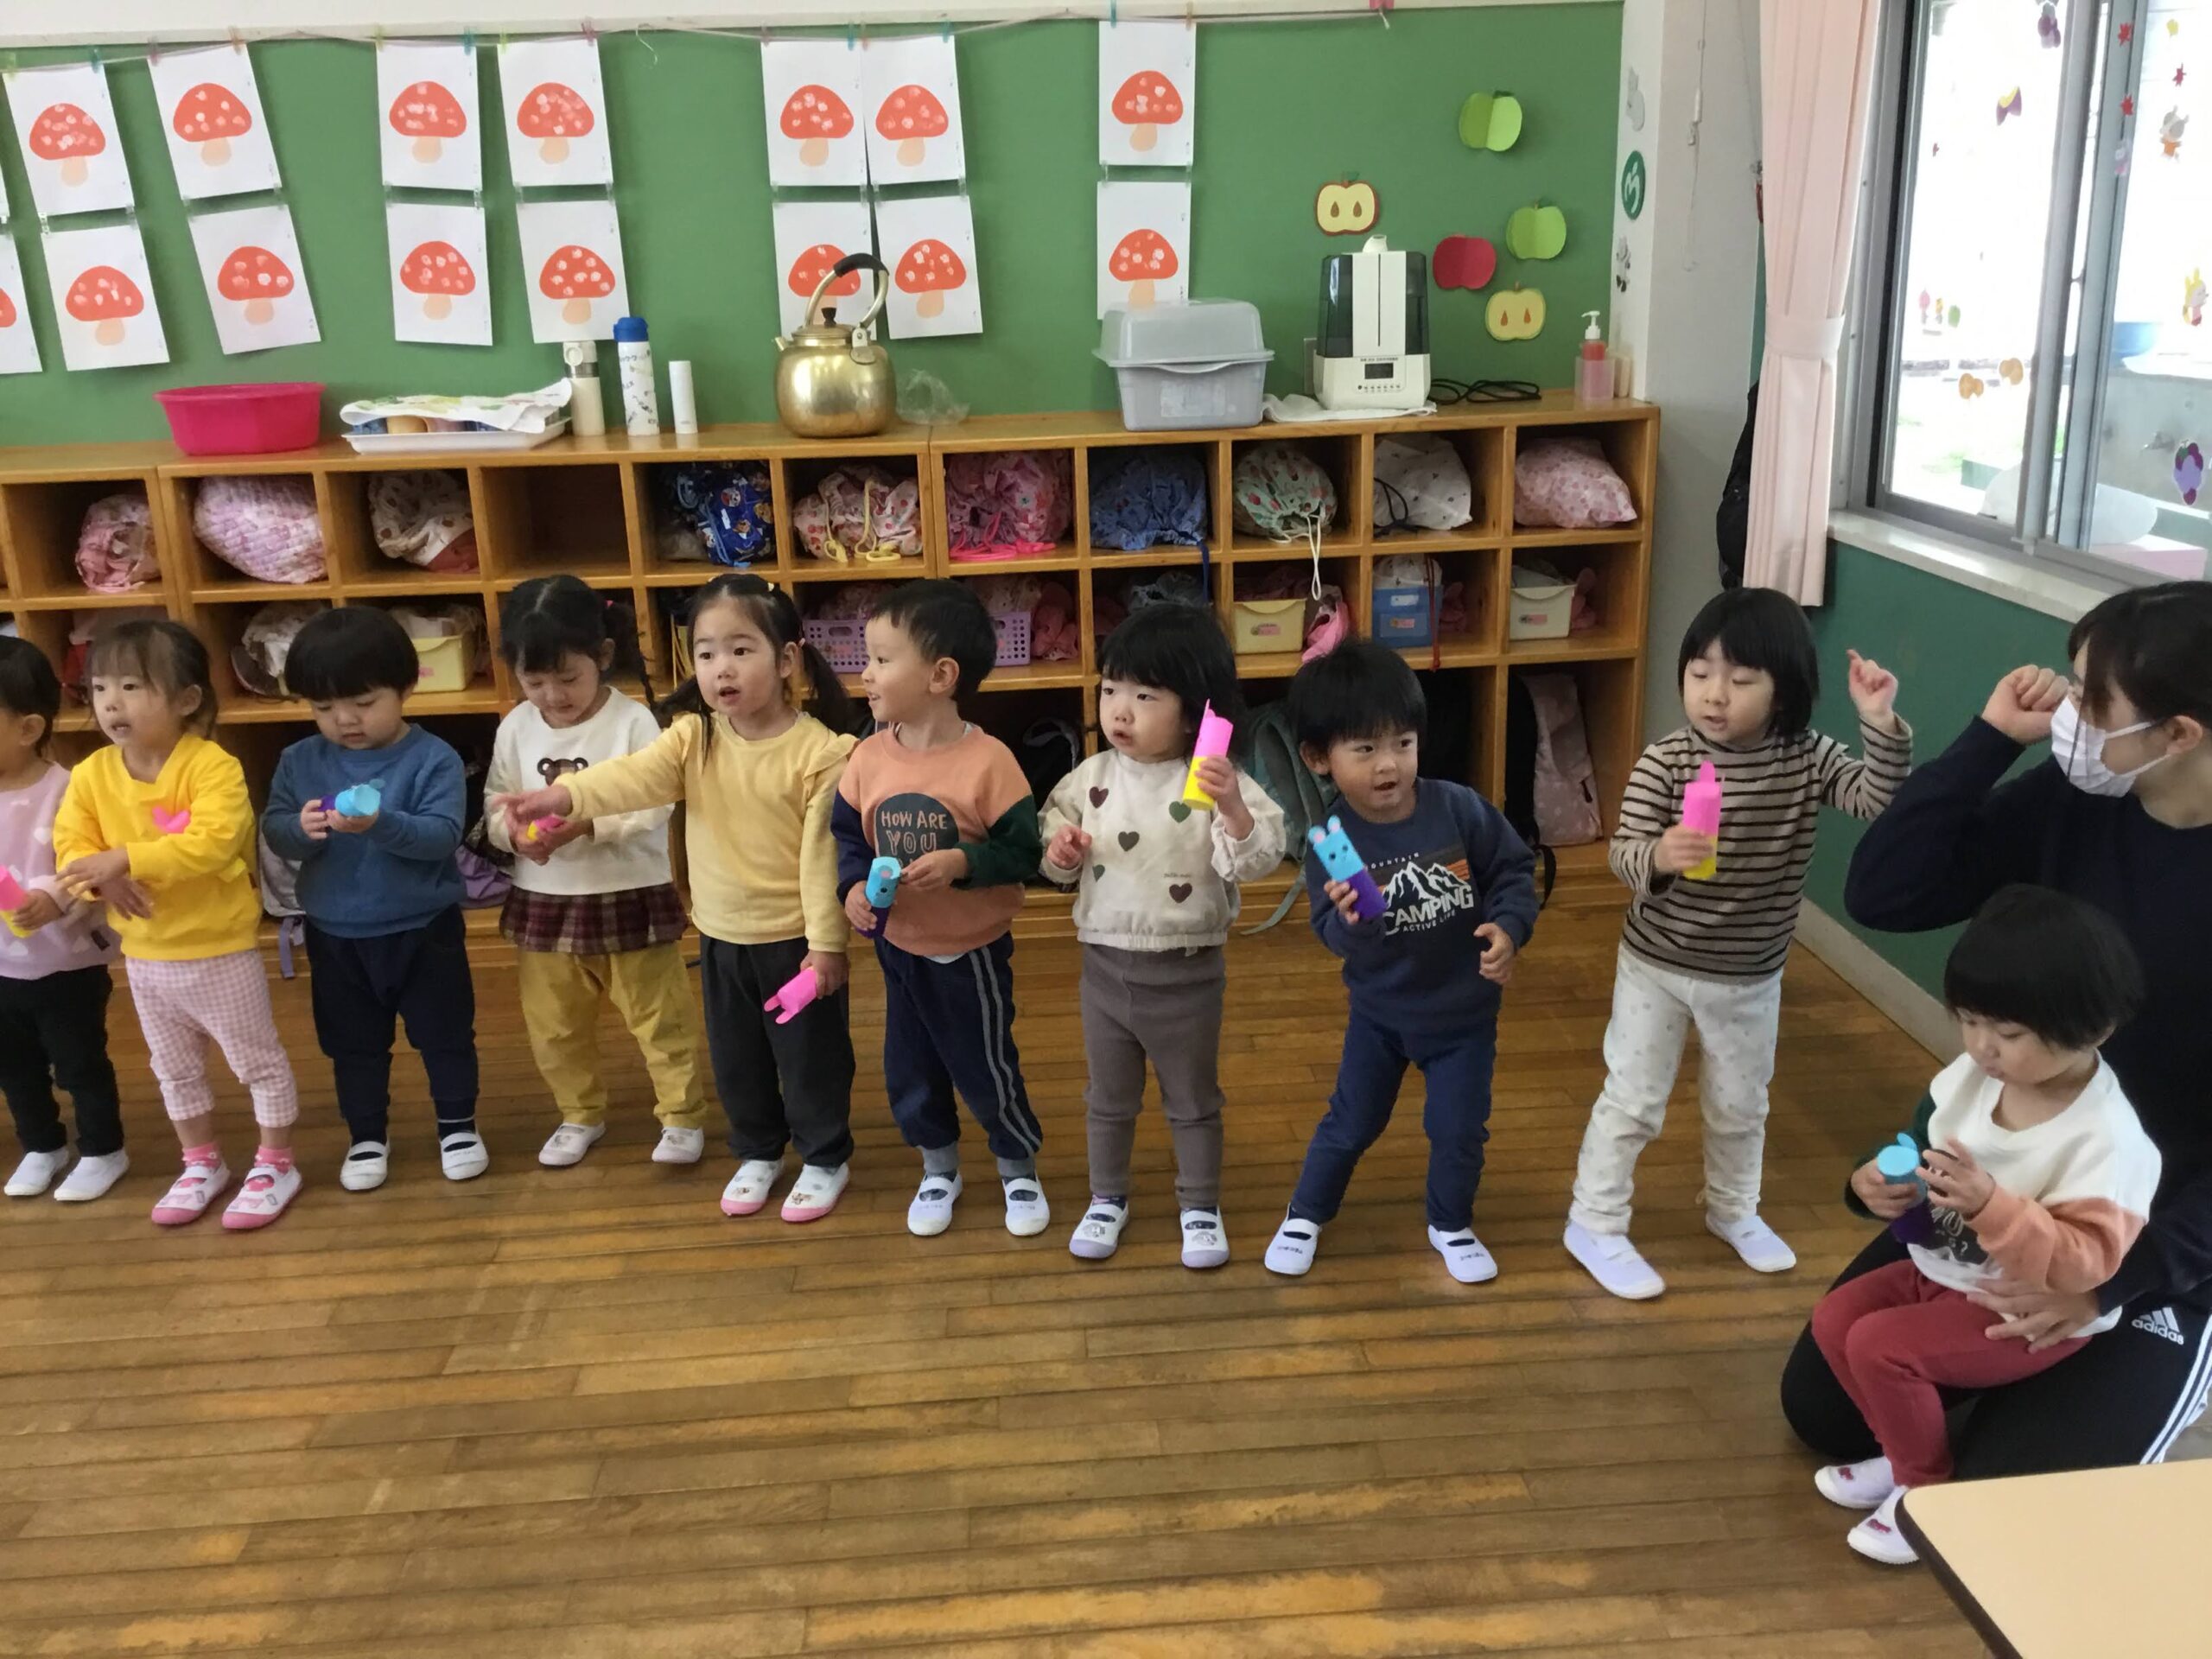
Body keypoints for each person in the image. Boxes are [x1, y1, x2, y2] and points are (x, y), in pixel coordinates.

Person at [1783, 580, 2212, 1478]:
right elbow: (1886, 893)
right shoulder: (2078, 798)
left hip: (2154, 1225)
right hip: (2005, 1191)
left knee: (2011, 1500)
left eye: (2091, 699)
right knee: (1823, 1406)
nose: (2067, 710)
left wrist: (2115, 1284)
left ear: (2179, 734)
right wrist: (1987, 741)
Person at [1564, 588, 1910, 1300]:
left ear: (1785, 690)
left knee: (1741, 1104)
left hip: (1749, 973)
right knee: (1633, 1099)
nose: (1715, 695)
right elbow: (1623, 853)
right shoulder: (1666, 762)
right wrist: (1659, 854)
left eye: (1742, 679)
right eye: (1700, 674)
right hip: (1657, 966)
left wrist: (1880, 723)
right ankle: (1594, 1221)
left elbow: (1877, 799)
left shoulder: (1807, 758)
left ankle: (1733, 1209)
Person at [1808, 886, 2158, 1565]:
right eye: (1969, 1021)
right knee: (1835, 1319)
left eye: (2008, 1033)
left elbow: (2086, 1264)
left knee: (1881, 1347)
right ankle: (1902, 1455)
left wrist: (1990, 1204)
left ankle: (1926, 1493)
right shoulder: (1972, 1076)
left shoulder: (2107, 1142)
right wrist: (1873, 1181)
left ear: (2093, 1031)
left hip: (2028, 1311)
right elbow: (1918, 1143)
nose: (1981, 1046)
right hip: (1949, 1271)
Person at [494, 573, 857, 1222]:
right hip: (720, 935)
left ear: (786, 660)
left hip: (794, 941)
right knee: (738, 1058)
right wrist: (564, 795)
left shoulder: (824, 753)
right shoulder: (695, 737)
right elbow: (632, 778)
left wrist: (826, 946)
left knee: (810, 1060)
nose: (722, 668)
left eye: (741, 650)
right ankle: (758, 1150)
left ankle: (825, 1156)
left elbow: (821, 859)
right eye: (707, 652)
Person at [1262, 642, 1538, 1285]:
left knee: (1458, 1128)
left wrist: (1510, 928)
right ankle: (1306, 1213)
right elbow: (1331, 933)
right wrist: (1352, 924)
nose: (1389, 764)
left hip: (1464, 1014)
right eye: (1364, 749)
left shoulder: (1458, 808)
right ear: (1319, 758)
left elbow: (1513, 870)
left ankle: (1451, 1222)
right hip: (1381, 1016)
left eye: (1403, 744)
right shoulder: (1331, 842)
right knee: (1352, 1120)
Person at [1039, 604, 1286, 1268]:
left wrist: (1233, 807)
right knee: (1107, 1099)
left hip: (1188, 976)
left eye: (1145, 696)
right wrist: (1060, 851)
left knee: (1193, 1100)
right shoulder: (1091, 778)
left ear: (1195, 711)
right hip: (1105, 971)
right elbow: (1052, 837)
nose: (1120, 710)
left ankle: (1200, 1204)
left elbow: (1260, 855)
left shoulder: (1209, 778)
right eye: (1111, 689)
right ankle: (1106, 1196)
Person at [54, 620, 302, 1230]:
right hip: (145, 958)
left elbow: (213, 843)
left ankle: (276, 1163)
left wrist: (126, 858)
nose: (112, 703)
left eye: (132, 686)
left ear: (187, 699)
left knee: (257, 1063)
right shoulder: (90, 774)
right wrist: (99, 881)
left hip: (219, 951)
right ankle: (201, 1162)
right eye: (100, 688)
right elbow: (71, 847)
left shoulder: (212, 766)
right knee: (173, 1070)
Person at [832, 579, 1047, 1240]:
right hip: (899, 948)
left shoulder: (989, 762)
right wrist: (852, 888)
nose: (865, 672)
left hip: (969, 950)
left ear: (940, 675)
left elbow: (1024, 852)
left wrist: (962, 863)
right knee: (910, 1067)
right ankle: (938, 1168)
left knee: (985, 1063)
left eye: (881, 659)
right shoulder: (867, 757)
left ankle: (1017, 1166)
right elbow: (847, 838)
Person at [481, 577, 709, 1173]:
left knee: (659, 1017)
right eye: (534, 681)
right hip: (545, 898)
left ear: (603, 656)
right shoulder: (516, 726)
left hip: (629, 892)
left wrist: (587, 825)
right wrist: (512, 836)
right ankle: (579, 1112)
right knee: (555, 1025)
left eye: (567, 677)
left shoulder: (633, 722)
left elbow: (656, 801)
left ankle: (681, 1115)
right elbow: (497, 800)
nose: (552, 696)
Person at [262, 607, 483, 1192]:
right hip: (336, 932)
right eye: (323, 707)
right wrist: (298, 830)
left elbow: (441, 837)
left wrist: (381, 823)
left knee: (445, 1033)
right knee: (352, 1044)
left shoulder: (432, 757)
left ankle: (458, 1126)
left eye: (363, 702)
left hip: (424, 927)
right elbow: (276, 830)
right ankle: (366, 1136)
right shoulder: (299, 760)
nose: (344, 719)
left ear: (405, 688)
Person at [0, 639, 124, 1203]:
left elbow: (90, 863)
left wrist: (55, 896)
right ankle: (42, 1144)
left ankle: (103, 1149)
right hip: (3, 969)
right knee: (15, 1066)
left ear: (28, 729)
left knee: (78, 1064)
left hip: (66, 964)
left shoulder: (70, 791)